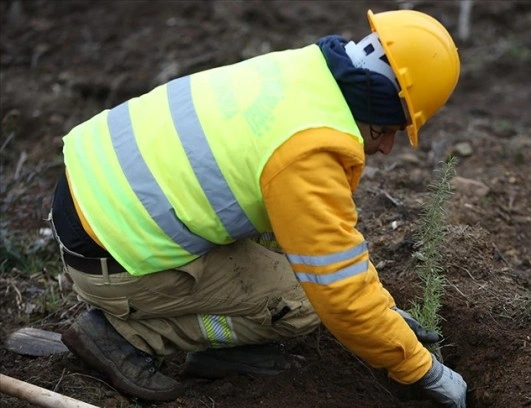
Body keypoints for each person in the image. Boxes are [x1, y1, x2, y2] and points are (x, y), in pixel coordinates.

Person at [49, 8, 465, 407]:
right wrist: (421, 368)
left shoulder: (304, 69)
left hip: (92, 195)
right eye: (389, 129)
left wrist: (386, 313)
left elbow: (318, 242)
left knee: (284, 253)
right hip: (114, 256)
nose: (388, 147)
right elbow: (337, 289)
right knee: (302, 301)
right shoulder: (309, 151)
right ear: (374, 106)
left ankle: (215, 342)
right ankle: (127, 337)